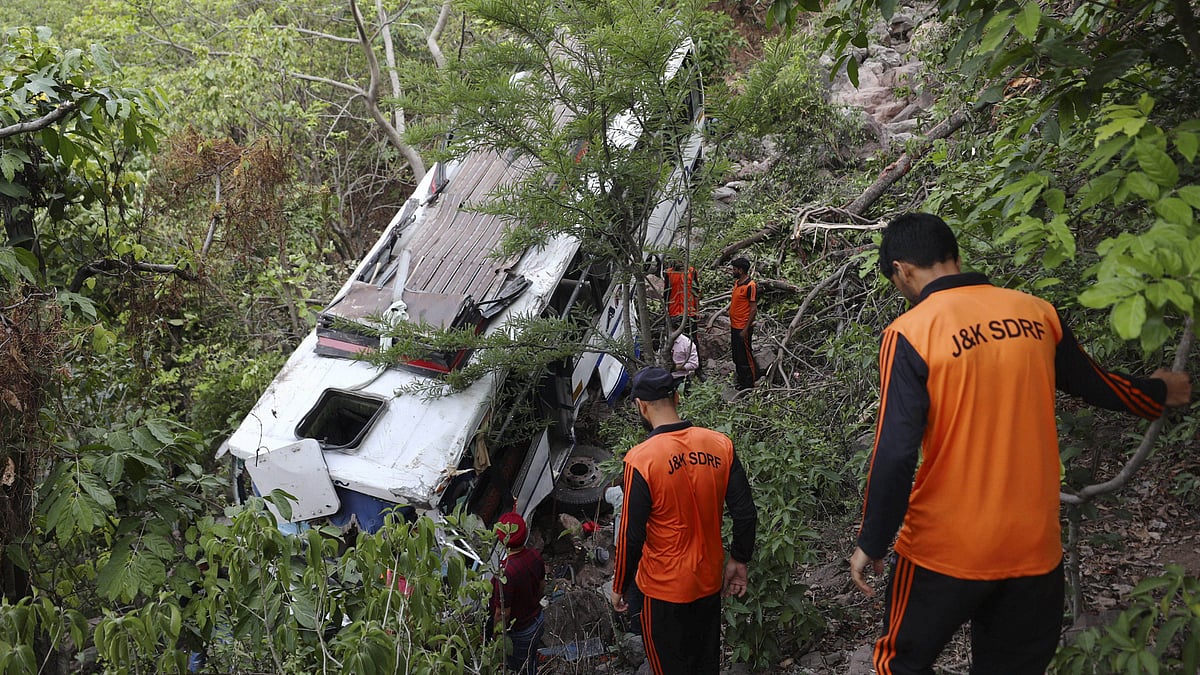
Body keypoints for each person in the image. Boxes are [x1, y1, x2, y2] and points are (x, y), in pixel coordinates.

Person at [849, 213, 1192, 674]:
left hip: (946, 549)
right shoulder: (1035, 312)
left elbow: (895, 452)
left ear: (903, 270)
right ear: (954, 255)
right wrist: (1159, 392)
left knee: (899, 664)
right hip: (1033, 549)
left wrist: (872, 541)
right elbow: (1094, 384)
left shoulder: (911, 332)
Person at [612, 366, 758, 675]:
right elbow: (745, 512)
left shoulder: (641, 460)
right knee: (705, 666)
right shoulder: (720, 445)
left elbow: (631, 535)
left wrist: (620, 584)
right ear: (677, 398)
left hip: (662, 590)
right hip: (708, 581)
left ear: (641, 406)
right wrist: (739, 560)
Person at [489, 511, 545, 675]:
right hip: (537, 619)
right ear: (525, 533)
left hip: (521, 631)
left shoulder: (506, 572)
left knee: (519, 668)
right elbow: (542, 586)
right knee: (531, 659)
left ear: (502, 541)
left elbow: (502, 614)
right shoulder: (534, 555)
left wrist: (496, 637)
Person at [725, 257, 758, 389]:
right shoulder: (737, 283)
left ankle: (749, 383)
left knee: (745, 356)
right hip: (734, 326)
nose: (732, 271)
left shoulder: (751, 286)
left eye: (734, 269)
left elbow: (753, 309)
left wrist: (746, 328)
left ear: (741, 270)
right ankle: (741, 380)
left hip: (743, 327)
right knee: (737, 356)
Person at [663, 256, 700, 338]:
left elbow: (696, 292)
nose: (679, 262)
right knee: (677, 338)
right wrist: (666, 310)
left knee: (692, 338)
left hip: (690, 311)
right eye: (677, 259)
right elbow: (666, 293)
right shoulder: (669, 273)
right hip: (674, 311)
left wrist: (697, 311)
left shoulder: (691, 272)